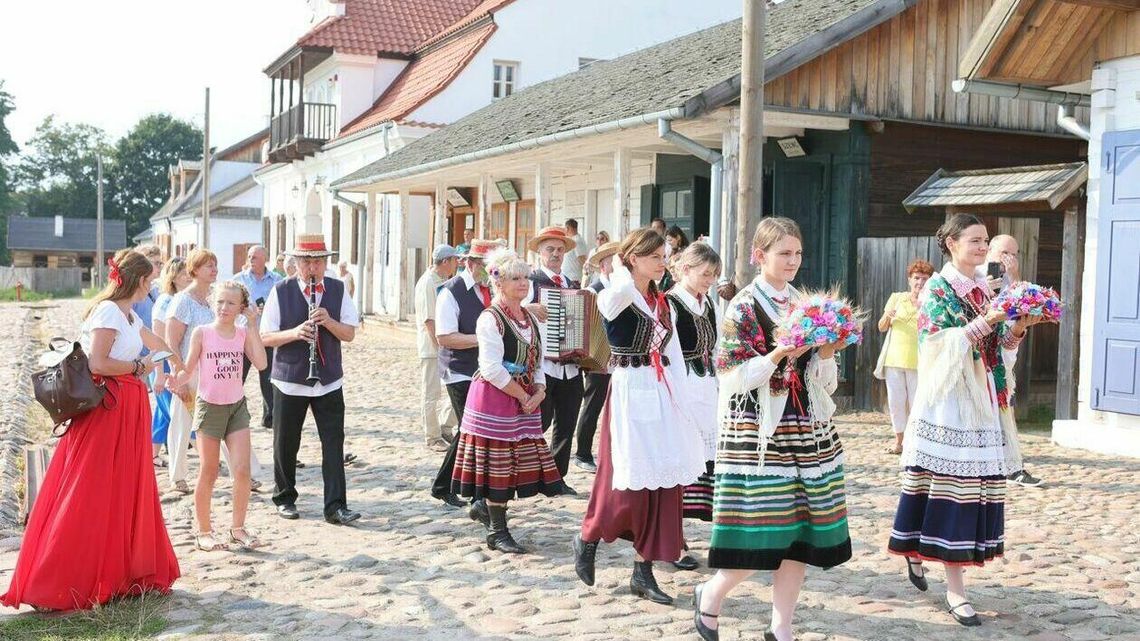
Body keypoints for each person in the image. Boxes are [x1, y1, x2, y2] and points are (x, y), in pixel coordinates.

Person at [887, 214, 1051, 627]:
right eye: (975, 240)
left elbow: (996, 350)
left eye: (985, 240)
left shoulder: (985, 287)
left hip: (982, 400)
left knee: (960, 492)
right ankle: (956, 590)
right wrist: (988, 320)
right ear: (952, 243)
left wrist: (1016, 329)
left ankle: (917, 549)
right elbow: (936, 347)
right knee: (950, 492)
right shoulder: (938, 289)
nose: (982, 247)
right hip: (951, 403)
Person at [694, 217, 852, 641]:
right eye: (784, 253)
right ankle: (711, 594)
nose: (793, 261)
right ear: (759, 256)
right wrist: (780, 352)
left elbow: (823, 383)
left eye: (797, 253)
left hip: (804, 427)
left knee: (800, 532)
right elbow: (731, 377)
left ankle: (781, 627)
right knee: (762, 531)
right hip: (759, 430)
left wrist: (826, 352)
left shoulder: (805, 303)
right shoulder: (744, 306)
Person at [1, 249, 181, 611]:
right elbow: (98, 363)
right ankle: (68, 576)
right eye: (150, 279)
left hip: (128, 408)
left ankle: (120, 572)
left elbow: (153, 341)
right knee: (92, 489)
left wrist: (178, 362)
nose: (152, 285)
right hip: (108, 409)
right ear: (139, 281)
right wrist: (138, 367)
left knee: (122, 489)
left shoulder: (129, 314)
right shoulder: (109, 311)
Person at [574, 228, 706, 606]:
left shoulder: (661, 301)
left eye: (664, 257)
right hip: (630, 390)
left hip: (661, 390)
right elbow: (613, 298)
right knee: (624, 482)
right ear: (634, 258)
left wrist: (685, 402)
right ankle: (589, 536)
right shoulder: (616, 294)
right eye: (655, 257)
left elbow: (673, 353)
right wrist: (621, 267)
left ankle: (643, 570)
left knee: (663, 483)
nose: (663, 263)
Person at [451, 248, 565, 553]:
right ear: (498, 282)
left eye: (525, 277)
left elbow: (537, 359)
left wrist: (539, 391)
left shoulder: (529, 318)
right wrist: (525, 395)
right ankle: (497, 532)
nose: (523, 283)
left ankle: (486, 511)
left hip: (523, 398)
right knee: (498, 467)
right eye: (515, 278)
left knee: (512, 465)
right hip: (495, 399)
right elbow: (491, 369)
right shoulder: (491, 319)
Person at [261, 233, 362, 525]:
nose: (312, 268)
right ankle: (284, 498)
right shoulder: (281, 290)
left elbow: (349, 333)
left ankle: (336, 506)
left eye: (317, 262)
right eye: (306, 262)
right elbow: (265, 336)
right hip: (290, 379)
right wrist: (295, 333)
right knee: (286, 442)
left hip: (328, 379)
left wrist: (328, 321)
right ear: (296, 262)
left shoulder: (337, 288)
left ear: (325, 262)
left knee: (333, 443)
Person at [173, 281, 268, 551]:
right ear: (212, 302)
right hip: (209, 407)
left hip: (236, 407)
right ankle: (204, 532)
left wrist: (252, 326)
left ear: (241, 308)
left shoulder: (242, 333)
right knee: (210, 470)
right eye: (220, 302)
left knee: (242, 470)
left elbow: (262, 363)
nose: (224, 307)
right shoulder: (202, 333)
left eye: (231, 303)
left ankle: (238, 529)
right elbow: (189, 368)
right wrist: (175, 379)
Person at [430, 239, 498, 509]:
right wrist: (483, 339)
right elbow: (445, 337)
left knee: (473, 431)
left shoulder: (491, 290)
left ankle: (447, 486)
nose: (490, 271)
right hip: (458, 370)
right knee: (471, 429)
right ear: (470, 263)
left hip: (485, 370)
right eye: (486, 266)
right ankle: (469, 492)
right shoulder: (450, 291)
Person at [666, 242, 722, 571]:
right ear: (685, 269)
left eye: (714, 275)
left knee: (705, 462)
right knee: (680, 464)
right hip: (681, 390)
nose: (710, 280)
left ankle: (694, 532)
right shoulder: (671, 304)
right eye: (705, 274)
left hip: (706, 389)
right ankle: (673, 540)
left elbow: (715, 347)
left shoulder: (708, 302)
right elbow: (668, 354)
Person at [526, 225, 585, 495]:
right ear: (540, 252)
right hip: (543, 366)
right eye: (550, 249)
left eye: (560, 250)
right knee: (541, 422)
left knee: (566, 425)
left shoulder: (572, 285)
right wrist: (529, 308)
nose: (556, 254)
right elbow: (508, 310)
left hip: (571, 367)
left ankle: (556, 479)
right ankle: (527, 475)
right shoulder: (531, 282)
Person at [986, 234, 1043, 488]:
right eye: (1004, 252)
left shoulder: (1013, 279)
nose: (1009, 258)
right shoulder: (979, 273)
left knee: (1005, 403)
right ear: (990, 250)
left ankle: (1012, 466)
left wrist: (1015, 275)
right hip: (981, 349)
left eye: (1014, 253)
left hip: (1007, 346)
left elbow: (1026, 304)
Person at [876, 259, 934, 454]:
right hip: (894, 360)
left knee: (917, 403)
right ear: (909, 279)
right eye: (916, 278)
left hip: (919, 361)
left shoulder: (931, 302)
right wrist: (888, 316)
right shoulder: (896, 298)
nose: (920, 282)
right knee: (896, 403)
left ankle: (916, 442)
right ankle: (899, 442)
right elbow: (881, 327)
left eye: (924, 279)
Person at [572, 240, 620, 473]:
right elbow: (579, 324)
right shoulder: (593, 290)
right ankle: (582, 453)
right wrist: (587, 353)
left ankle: (611, 453)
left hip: (619, 360)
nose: (619, 265)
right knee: (592, 405)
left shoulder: (622, 288)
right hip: (597, 360)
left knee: (616, 408)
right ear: (603, 265)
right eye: (614, 261)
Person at [415, 244, 460, 451]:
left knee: (456, 388)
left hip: (446, 345)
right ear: (445, 261)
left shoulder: (443, 280)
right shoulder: (427, 282)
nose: (456, 264)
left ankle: (445, 426)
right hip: (432, 347)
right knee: (431, 393)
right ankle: (432, 436)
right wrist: (440, 346)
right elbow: (429, 320)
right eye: (454, 260)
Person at [233, 245, 283, 430]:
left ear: (265, 259)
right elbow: (228, 304)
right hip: (243, 336)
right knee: (237, 377)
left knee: (269, 378)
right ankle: (232, 413)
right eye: (249, 256)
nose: (250, 260)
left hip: (266, 336)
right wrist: (244, 309)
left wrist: (268, 309)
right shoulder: (238, 280)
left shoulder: (277, 280)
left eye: (254, 257)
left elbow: (282, 305)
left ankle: (270, 417)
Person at [151, 257, 190, 467]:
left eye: (189, 272)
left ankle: (152, 454)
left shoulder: (188, 299)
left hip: (182, 361)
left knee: (163, 412)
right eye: (183, 273)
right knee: (180, 412)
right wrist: (158, 374)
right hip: (164, 364)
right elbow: (157, 341)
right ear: (173, 277)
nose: (188, 276)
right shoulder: (165, 301)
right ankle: (204, 452)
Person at [131, 244, 165, 329]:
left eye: (160, 263)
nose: (160, 267)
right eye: (156, 263)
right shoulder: (132, 291)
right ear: (143, 264)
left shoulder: (157, 289)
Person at [562, 218, 589, 284]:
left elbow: (582, 259)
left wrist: (587, 275)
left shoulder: (577, 241)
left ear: (568, 228)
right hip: (567, 277)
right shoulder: (572, 240)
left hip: (574, 278)